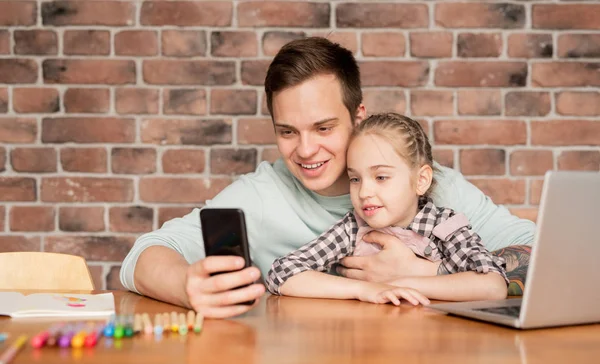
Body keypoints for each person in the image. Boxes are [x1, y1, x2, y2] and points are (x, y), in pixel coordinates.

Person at [120, 37, 535, 318]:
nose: (304, 150)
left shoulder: (430, 186)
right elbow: (146, 255)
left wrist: (433, 276)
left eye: (323, 128)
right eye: (287, 132)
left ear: (358, 117)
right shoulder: (262, 196)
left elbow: (540, 253)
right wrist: (185, 284)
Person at [266, 113, 508, 305]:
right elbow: (282, 274)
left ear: (421, 180)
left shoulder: (445, 225)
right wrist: (365, 289)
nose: (363, 193)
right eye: (355, 179)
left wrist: (401, 282)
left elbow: (493, 285)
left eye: (381, 177)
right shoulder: (353, 228)